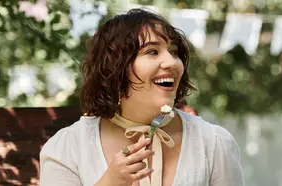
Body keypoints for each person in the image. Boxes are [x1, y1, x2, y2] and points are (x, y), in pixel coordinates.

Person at [39, 8, 244, 186]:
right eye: (152, 51)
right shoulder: (67, 148)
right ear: (115, 68)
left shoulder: (214, 143)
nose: (172, 62)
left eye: (173, 51)